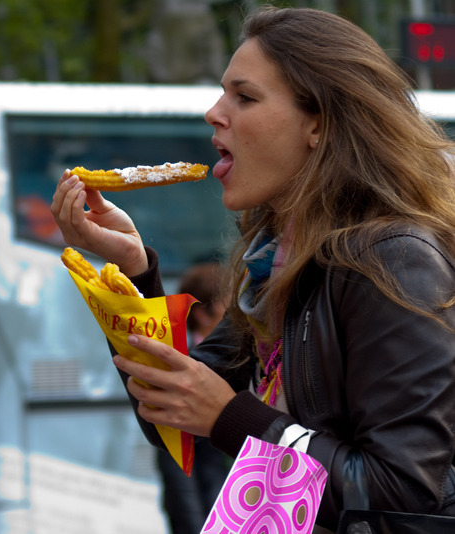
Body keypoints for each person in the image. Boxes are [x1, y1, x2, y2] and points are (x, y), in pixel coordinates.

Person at [51, 6, 455, 533]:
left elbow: (399, 492)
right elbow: (174, 420)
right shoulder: (271, 263)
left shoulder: (393, 261)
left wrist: (231, 418)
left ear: (319, 125)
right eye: (223, 93)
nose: (214, 113)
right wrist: (131, 271)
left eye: (245, 97)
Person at [156, 262, 230, 534]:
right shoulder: (182, 368)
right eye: (228, 307)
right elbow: (177, 467)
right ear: (202, 314)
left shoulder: (247, 360)